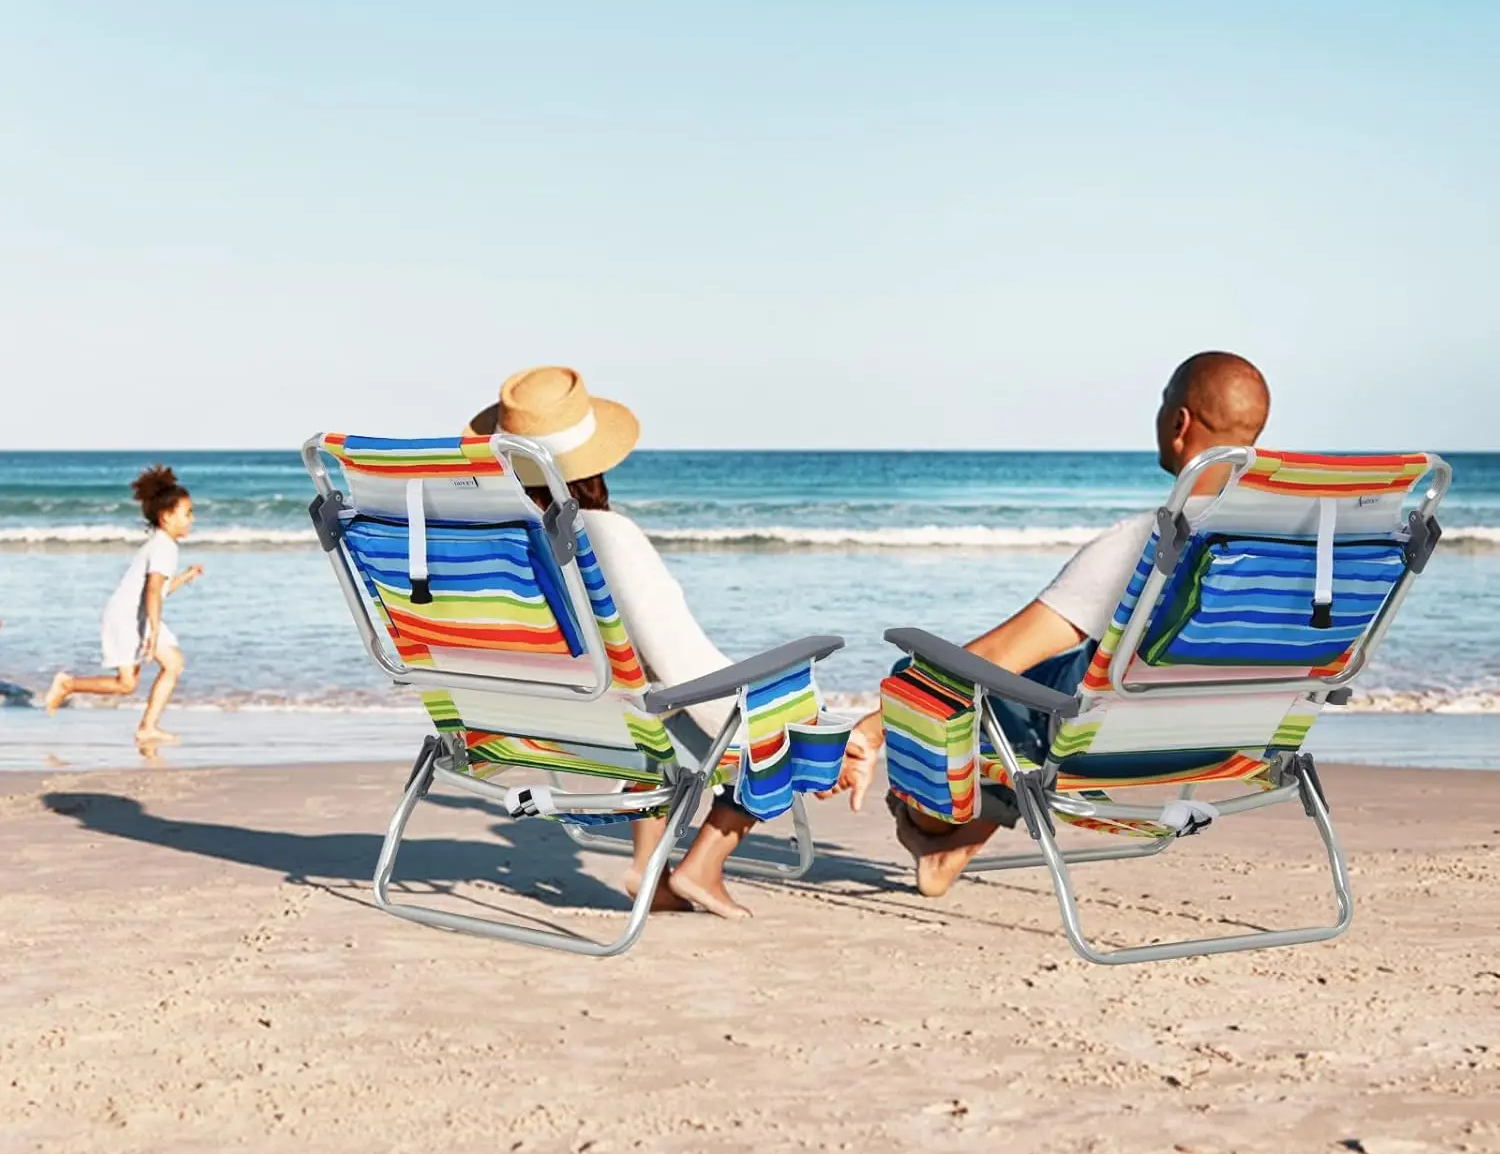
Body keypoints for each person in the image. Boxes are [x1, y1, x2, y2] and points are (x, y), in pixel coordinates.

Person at [831, 351, 1272, 895]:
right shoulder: (1293, 545)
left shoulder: (1152, 542)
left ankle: (935, 834)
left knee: (931, 681)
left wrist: (873, 728)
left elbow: (998, 656)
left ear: (1178, 422)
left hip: (1107, 750)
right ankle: (954, 840)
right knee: (1051, 683)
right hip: (1225, 745)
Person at [469, 365, 777, 920]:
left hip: (537, 731)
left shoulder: (493, 543)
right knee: (781, 720)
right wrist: (787, 723)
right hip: (612, 740)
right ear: (597, 460)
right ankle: (702, 863)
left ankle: (647, 866)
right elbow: (684, 667)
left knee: (633, 688)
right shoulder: (607, 536)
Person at [44, 466, 204, 747]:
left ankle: (142, 724)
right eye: (188, 513)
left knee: (140, 678)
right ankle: (71, 686)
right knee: (157, 671)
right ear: (166, 517)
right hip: (128, 619)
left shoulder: (161, 544)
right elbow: (153, 590)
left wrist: (185, 577)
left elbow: (159, 590)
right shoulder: (165, 547)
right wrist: (153, 630)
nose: (193, 519)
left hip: (136, 616)